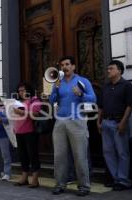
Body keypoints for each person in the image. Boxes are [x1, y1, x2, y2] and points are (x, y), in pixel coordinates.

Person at [49, 56, 96, 196]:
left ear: (73, 66)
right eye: (62, 65)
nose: (65, 67)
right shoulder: (58, 82)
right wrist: (55, 90)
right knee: (59, 156)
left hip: (77, 121)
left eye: (67, 64)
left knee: (80, 155)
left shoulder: (83, 81)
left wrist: (81, 94)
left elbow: (93, 98)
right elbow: (52, 100)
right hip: (60, 121)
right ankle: (60, 184)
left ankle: (84, 186)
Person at [97, 60, 132, 190]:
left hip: (119, 122)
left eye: (111, 68)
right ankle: (116, 178)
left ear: (119, 70)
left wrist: (124, 122)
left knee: (122, 152)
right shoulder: (105, 87)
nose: (108, 71)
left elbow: (130, 106)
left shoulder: (127, 85)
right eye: (108, 69)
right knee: (108, 152)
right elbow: (100, 106)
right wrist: (98, 121)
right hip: (106, 123)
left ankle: (124, 181)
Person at [13, 83, 41, 188]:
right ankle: (24, 178)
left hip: (30, 131)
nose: (21, 92)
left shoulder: (34, 100)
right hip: (19, 132)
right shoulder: (18, 102)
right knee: (22, 155)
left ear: (28, 90)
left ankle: (35, 179)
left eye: (23, 90)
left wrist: (20, 112)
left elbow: (36, 114)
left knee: (33, 155)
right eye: (19, 90)